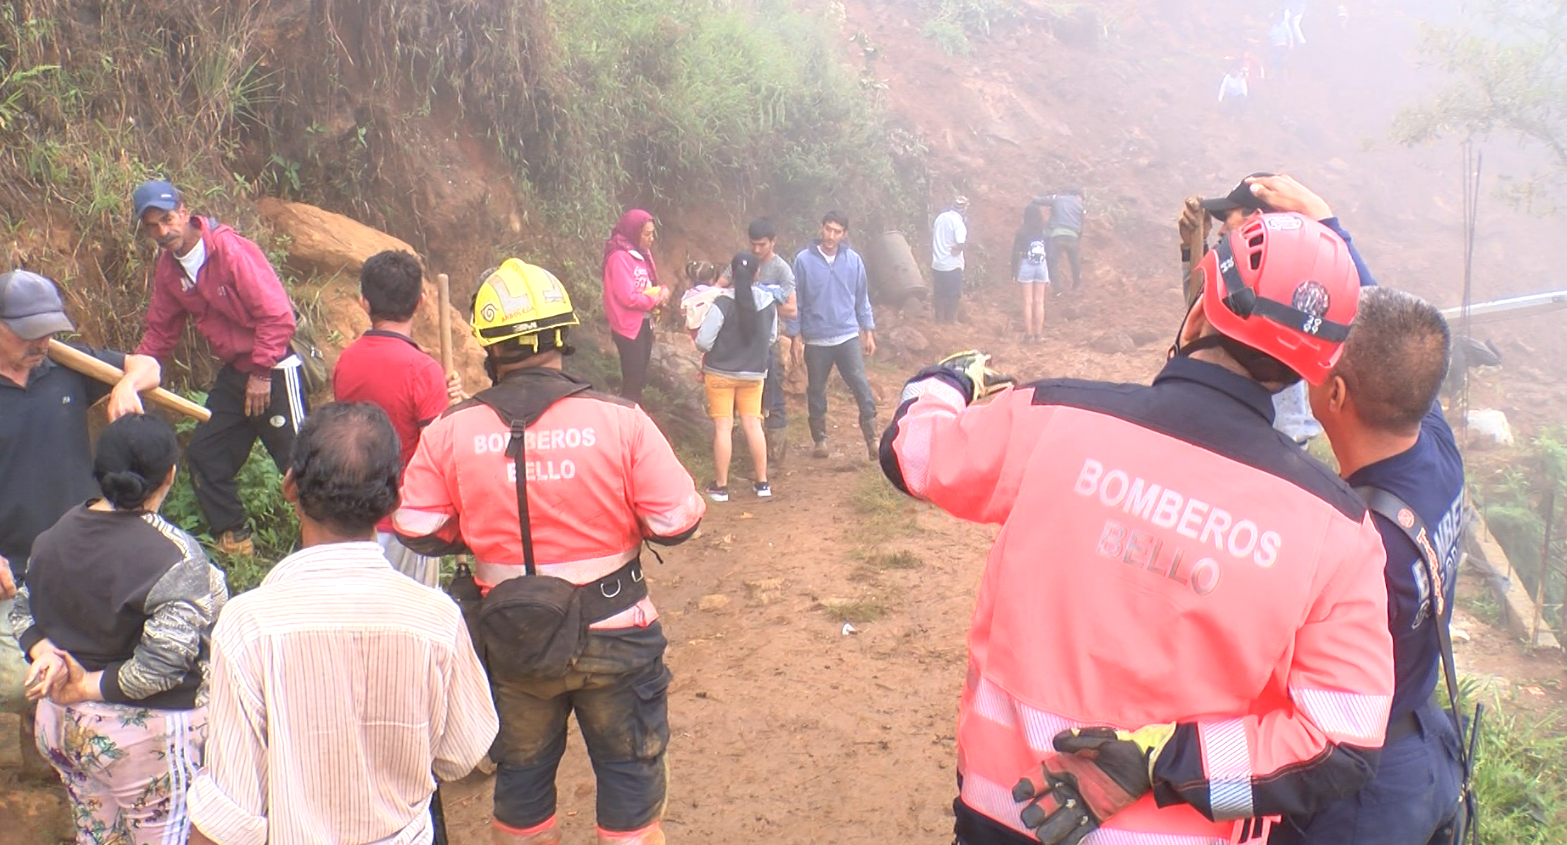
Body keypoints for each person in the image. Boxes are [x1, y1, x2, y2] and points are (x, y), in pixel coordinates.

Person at [879, 212, 1394, 845]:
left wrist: (945, 382)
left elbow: (913, 456)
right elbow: (1342, 741)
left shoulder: (1055, 417)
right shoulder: (1338, 531)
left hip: (1005, 813)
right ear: (1312, 370)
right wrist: (1158, 766)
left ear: (1202, 308)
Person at [394, 259, 704, 845]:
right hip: (618, 630)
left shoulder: (450, 430)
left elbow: (416, 524)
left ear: (490, 350)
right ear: (566, 335)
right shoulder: (622, 420)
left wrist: (479, 529)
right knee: (631, 793)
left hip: (513, 639)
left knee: (522, 790)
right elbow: (677, 519)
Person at [187, 402, 498, 845]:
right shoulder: (435, 618)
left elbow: (231, 809)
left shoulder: (248, 626)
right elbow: (460, 752)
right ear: (395, 497)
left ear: (290, 486)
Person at [1273, 288, 1466, 844]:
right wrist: (1323, 219)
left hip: (1365, 791)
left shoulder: (1355, 545)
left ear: (1333, 393)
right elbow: (1401, 343)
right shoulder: (1435, 445)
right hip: (1425, 745)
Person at [11, 413, 226, 845]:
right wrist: (87, 685)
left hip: (60, 725)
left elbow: (21, 611)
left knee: (99, 837)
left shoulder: (53, 535)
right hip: (141, 742)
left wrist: (45, 654)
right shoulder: (175, 556)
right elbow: (160, 668)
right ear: (170, 475)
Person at [0, 269, 160, 773]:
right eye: (30, 332)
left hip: (75, 556)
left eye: (50, 329)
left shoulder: (66, 367)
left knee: (74, 661)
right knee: (19, 674)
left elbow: (148, 364)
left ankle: (51, 759)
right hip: (11, 569)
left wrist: (126, 384)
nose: (43, 342)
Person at [131, 179, 303, 557]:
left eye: (168, 218)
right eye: (152, 226)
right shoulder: (169, 270)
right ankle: (236, 541)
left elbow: (278, 316)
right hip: (236, 371)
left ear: (184, 209)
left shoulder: (228, 250)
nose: (163, 231)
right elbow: (160, 332)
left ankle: (322, 549)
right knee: (207, 454)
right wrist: (135, 374)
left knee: (302, 464)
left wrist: (261, 373)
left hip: (274, 365)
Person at [1181, 173, 1379, 444]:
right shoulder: (1290, 276)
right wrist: (1192, 248)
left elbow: (1206, 322)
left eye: (1228, 218)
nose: (1222, 230)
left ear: (1257, 217)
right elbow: (1208, 312)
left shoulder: (1274, 288)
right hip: (1268, 444)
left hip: (1264, 443)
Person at [332, 249, 463, 587]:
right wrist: (453, 412)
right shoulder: (423, 371)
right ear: (420, 301)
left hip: (356, 516)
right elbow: (437, 453)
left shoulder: (347, 361)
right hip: (406, 519)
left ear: (364, 301)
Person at [794, 211, 878, 461]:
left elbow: (862, 298)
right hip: (816, 337)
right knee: (816, 388)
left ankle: (872, 438)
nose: (831, 236)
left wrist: (868, 332)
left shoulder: (853, 261)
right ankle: (820, 439)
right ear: (821, 228)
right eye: (828, 229)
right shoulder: (803, 261)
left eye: (837, 231)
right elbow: (796, 301)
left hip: (847, 334)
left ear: (844, 234)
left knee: (860, 384)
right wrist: (795, 336)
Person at [696, 252, 779, 501]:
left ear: (730, 274)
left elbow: (703, 342)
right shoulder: (768, 304)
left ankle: (721, 487)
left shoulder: (722, 304)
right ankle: (762, 483)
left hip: (720, 374)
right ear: (757, 274)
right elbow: (772, 338)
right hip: (754, 375)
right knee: (753, 424)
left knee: (723, 427)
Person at [735, 218, 798, 464]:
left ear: (773, 242)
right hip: (743, 343)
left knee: (774, 397)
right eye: (753, 244)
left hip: (769, 344)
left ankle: (775, 456)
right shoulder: (742, 262)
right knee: (748, 399)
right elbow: (721, 289)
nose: (757, 250)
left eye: (762, 245)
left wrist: (760, 303)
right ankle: (750, 452)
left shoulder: (782, 269)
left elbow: (792, 309)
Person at [602, 208, 669, 405]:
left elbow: (648, 285)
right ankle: (628, 421)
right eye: (646, 234)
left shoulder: (642, 254)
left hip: (643, 324)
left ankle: (633, 416)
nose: (651, 239)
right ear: (633, 232)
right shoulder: (619, 258)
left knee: (639, 377)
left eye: (652, 233)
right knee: (633, 379)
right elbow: (627, 297)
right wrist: (655, 299)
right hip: (627, 327)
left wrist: (661, 290)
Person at [1009, 203, 1051, 342]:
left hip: (1027, 263)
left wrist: (1014, 272)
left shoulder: (1022, 231)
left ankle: (1029, 335)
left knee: (1028, 302)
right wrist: (1049, 272)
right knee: (1040, 302)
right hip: (1041, 265)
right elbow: (1050, 252)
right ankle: (1039, 334)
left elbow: (1015, 253)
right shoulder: (1044, 230)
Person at [1033, 190, 1084, 292]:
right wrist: (1078, 238)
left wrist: (1034, 198)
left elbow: (1041, 200)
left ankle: (1057, 289)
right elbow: (1082, 223)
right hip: (1073, 236)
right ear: (1077, 195)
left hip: (1057, 235)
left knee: (1053, 262)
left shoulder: (1057, 198)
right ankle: (1076, 286)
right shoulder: (1080, 206)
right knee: (1074, 261)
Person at [931, 196, 969, 323]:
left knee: (939, 294)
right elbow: (961, 243)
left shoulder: (940, 218)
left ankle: (939, 320)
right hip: (952, 265)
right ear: (964, 210)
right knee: (954, 294)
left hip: (937, 263)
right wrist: (959, 249)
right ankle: (952, 320)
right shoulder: (959, 224)